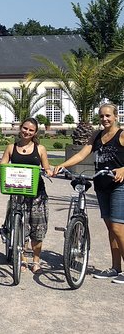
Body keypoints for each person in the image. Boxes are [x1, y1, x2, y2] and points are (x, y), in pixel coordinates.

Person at [55, 103, 124, 284]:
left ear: (115, 116)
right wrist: (63, 165)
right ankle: (116, 268)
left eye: (108, 116)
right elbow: (82, 154)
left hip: (119, 186)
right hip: (102, 184)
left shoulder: (122, 135)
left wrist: (123, 168)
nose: (105, 119)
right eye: (101, 116)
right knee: (111, 229)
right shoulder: (97, 135)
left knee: (118, 227)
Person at [0, 117, 52, 274]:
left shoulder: (40, 149)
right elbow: (3, 163)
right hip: (18, 192)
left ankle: (36, 261)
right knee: (21, 228)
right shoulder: (11, 147)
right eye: (25, 128)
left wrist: (49, 171)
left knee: (38, 228)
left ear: (35, 132)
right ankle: (23, 259)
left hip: (37, 193)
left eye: (31, 130)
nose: (27, 132)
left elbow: (46, 167)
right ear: (20, 128)